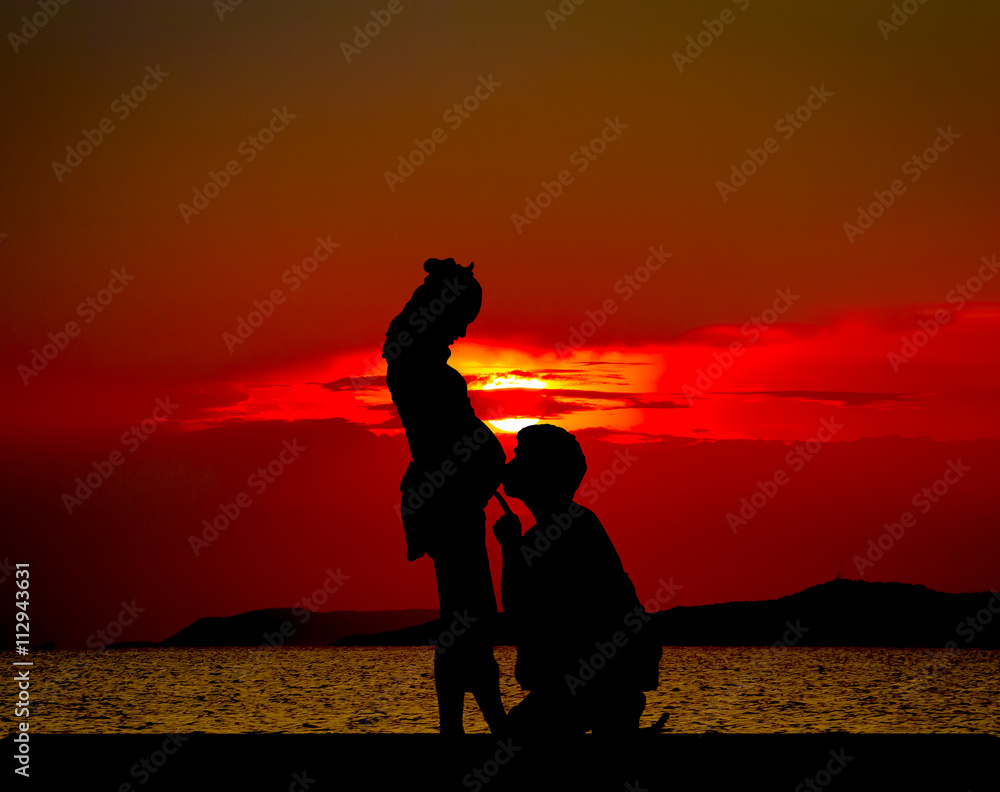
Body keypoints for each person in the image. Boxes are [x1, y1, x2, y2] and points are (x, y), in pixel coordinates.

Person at [382, 257, 507, 735]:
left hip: (455, 501)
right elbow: (452, 436)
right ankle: (472, 726)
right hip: (447, 503)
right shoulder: (417, 369)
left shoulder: (421, 366)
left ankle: (462, 725)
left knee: (466, 614)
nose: (463, 332)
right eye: (460, 319)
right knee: (467, 614)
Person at [492, 424, 661, 737]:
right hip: (605, 682)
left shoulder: (557, 534)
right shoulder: (575, 523)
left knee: (515, 736)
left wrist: (509, 549)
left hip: (593, 686)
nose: (509, 467)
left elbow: (517, 610)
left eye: (520, 458)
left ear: (541, 473)